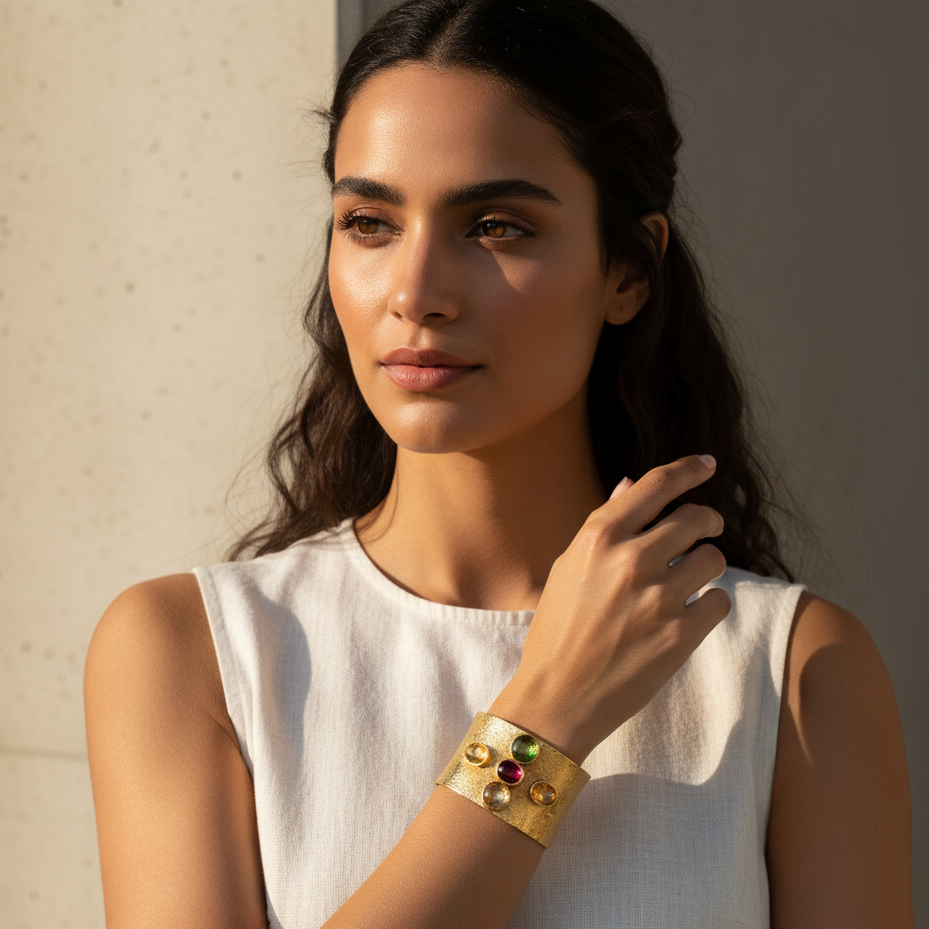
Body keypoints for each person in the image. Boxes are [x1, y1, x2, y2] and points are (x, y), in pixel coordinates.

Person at [83, 0, 913, 926]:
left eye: (495, 226)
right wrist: (543, 722)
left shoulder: (791, 673)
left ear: (628, 271)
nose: (416, 291)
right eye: (369, 222)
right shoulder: (195, 650)